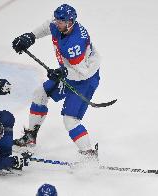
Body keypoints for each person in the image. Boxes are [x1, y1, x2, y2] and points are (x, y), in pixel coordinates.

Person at [12, 4, 101, 162]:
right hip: (69, 73)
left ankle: (89, 155)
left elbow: (83, 72)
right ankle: (30, 137)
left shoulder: (75, 44)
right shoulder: (61, 26)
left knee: (70, 119)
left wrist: (63, 72)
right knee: (40, 93)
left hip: (84, 80)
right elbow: (48, 26)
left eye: (61, 21)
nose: (56, 23)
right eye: (57, 20)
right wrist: (30, 36)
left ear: (71, 22)